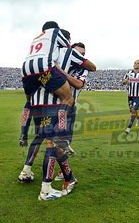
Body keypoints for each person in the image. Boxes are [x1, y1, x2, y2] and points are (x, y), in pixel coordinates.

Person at [19, 42, 93, 192]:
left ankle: (58, 175)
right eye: (78, 53)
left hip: (67, 109)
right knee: (48, 140)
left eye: (83, 54)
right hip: (51, 106)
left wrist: (60, 72)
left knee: (55, 142)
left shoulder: (81, 69)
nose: (81, 56)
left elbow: (78, 84)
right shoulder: (56, 61)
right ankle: (60, 178)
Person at [20, 21, 95, 151]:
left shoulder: (36, 38)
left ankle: (23, 133)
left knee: (28, 103)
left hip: (26, 68)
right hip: (45, 69)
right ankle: (61, 134)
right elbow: (67, 46)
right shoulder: (57, 36)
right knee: (68, 99)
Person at [122, 60, 139, 134]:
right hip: (130, 95)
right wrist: (125, 81)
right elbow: (123, 81)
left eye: (138, 63)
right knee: (132, 111)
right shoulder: (128, 73)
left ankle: (129, 127)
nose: (136, 64)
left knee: (134, 110)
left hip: (138, 95)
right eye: (135, 63)